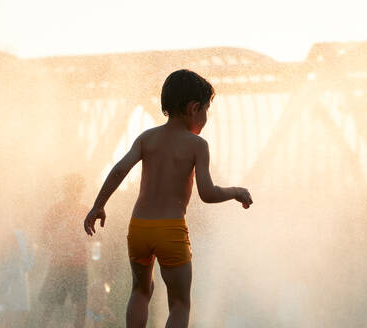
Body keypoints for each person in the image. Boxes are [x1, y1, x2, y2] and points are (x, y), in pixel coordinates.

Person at [83, 69, 253, 328]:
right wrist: (235, 192)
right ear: (194, 108)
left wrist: (98, 205)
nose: (206, 117)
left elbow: (119, 169)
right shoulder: (197, 145)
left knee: (140, 292)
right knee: (179, 303)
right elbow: (206, 193)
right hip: (171, 230)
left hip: (139, 227)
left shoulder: (147, 138)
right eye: (206, 109)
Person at [34, 174, 89, 328]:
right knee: (49, 305)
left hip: (78, 265)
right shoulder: (56, 210)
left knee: (81, 306)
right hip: (59, 265)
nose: (75, 193)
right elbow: (43, 236)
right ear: (66, 190)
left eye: (78, 190)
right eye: (72, 189)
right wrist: (56, 248)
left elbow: (94, 236)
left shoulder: (84, 210)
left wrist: (95, 240)